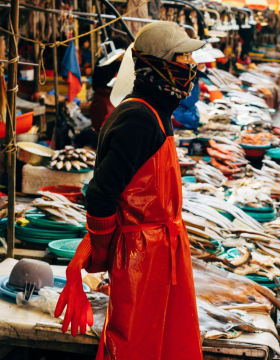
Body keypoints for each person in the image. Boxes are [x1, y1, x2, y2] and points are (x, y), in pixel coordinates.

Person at [55, 22, 205, 360]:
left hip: (159, 251)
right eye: (183, 58)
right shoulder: (137, 119)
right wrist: (104, 249)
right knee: (133, 346)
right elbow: (100, 195)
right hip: (140, 256)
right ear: (160, 66)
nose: (190, 66)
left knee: (165, 342)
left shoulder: (156, 111)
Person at [89, 36, 129, 133]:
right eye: (121, 51)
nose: (122, 55)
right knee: (103, 131)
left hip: (114, 101)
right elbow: (99, 84)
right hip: (102, 102)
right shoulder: (104, 62)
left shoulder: (120, 63)